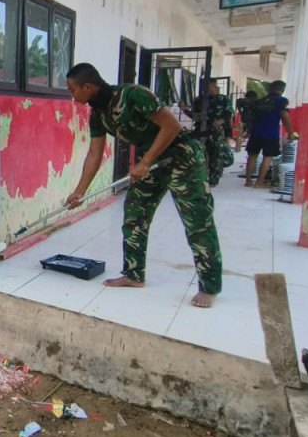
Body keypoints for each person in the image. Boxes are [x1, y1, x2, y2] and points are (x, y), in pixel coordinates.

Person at [64, 63, 223, 308]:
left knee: (198, 222)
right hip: (150, 163)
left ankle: (209, 287)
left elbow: (171, 125)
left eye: (73, 90)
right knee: (134, 216)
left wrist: (146, 161)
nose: (72, 97)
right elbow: (94, 154)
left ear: (88, 87)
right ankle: (134, 274)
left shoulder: (132, 95)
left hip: (183, 158)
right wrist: (80, 191)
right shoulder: (98, 115)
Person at [245, 80, 295, 188]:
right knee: (267, 157)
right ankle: (259, 182)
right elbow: (285, 117)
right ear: (282, 90)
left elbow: (252, 117)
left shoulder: (260, 101)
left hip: (256, 132)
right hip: (270, 134)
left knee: (252, 156)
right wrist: (290, 132)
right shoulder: (282, 101)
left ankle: (248, 181)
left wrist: (249, 131)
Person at [183, 80, 234, 186]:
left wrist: (221, 121)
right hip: (201, 129)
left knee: (217, 154)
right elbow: (195, 115)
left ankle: (213, 179)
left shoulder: (223, 99)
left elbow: (229, 114)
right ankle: (197, 177)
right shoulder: (199, 99)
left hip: (216, 131)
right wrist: (184, 110)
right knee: (197, 153)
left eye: (210, 86)